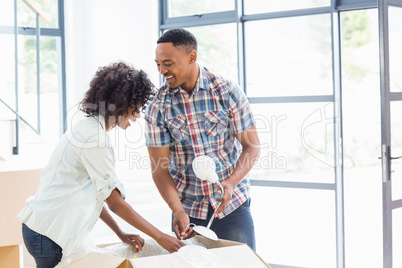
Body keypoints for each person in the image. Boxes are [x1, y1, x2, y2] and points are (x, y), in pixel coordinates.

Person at [18, 62, 185, 268]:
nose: (138, 115)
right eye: (136, 108)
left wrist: (120, 233)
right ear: (122, 104)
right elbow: (115, 203)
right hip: (48, 233)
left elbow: (99, 195)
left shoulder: (87, 128)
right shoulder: (95, 138)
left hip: (41, 228)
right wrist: (160, 237)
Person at [145, 28, 260, 250]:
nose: (162, 71)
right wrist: (177, 209)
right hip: (188, 212)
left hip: (233, 206)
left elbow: (252, 146)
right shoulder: (158, 106)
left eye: (168, 63)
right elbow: (160, 169)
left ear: (192, 57)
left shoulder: (226, 92)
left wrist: (231, 182)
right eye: (158, 64)